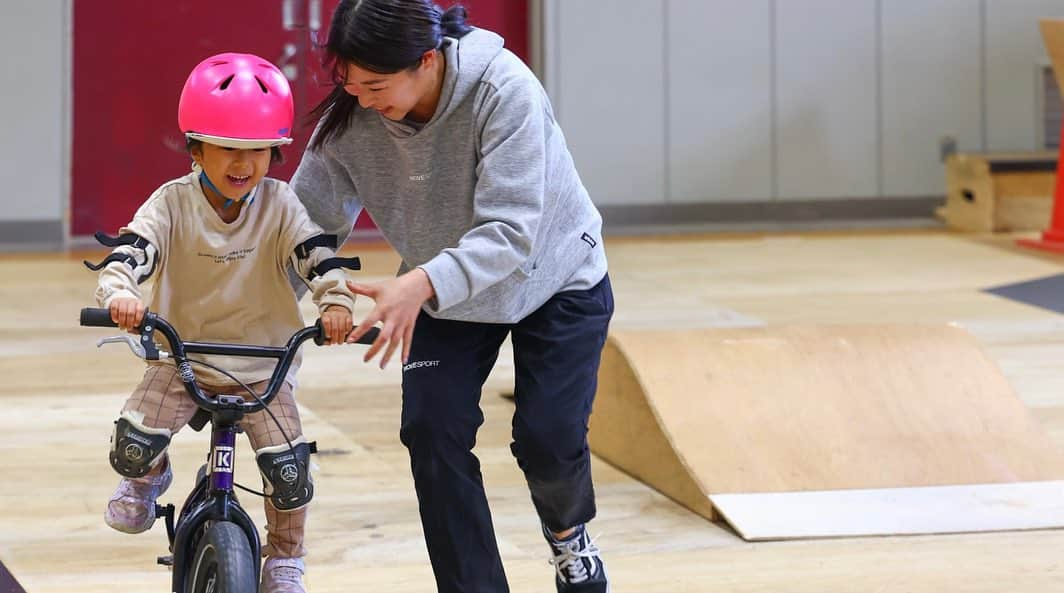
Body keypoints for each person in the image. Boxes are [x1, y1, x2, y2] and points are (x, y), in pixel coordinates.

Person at [290, 2, 613, 592]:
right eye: (349, 83)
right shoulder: (353, 119)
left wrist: (417, 282)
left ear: (427, 60)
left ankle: (570, 537)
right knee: (431, 430)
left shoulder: (504, 88)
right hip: (448, 290)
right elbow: (303, 224)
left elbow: (511, 229)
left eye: (376, 84)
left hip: (557, 277)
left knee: (548, 440)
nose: (360, 98)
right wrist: (243, 307)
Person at [87, 52, 358, 593]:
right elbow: (130, 254)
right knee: (134, 443)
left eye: (258, 151)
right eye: (229, 149)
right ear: (196, 147)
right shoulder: (172, 204)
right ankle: (148, 479)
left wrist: (337, 303)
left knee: (289, 475)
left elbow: (317, 256)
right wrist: (121, 295)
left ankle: (285, 561)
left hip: (265, 366)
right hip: (185, 355)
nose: (244, 164)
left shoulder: (281, 205)